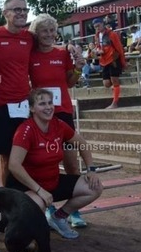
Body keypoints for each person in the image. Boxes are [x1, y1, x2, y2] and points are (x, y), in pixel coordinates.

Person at [7, 88, 103, 239]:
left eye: (50, 103)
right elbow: (13, 165)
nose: (48, 107)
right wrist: (39, 190)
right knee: (37, 206)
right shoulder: (25, 130)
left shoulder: (58, 125)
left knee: (95, 187)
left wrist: (91, 170)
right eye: (42, 104)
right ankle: (17, 231)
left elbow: (82, 144)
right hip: (27, 187)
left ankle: (58, 218)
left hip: (52, 182)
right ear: (32, 108)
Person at [28, 14, 89, 228]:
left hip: (62, 112)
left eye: (52, 31)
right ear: (36, 34)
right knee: (44, 162)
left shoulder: (62, 53)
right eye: (44, 31)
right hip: (40, 115)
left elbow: (70, 82)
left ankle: (72, 211)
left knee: (71, 162)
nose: (49, 35)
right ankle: (48, 206)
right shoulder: (30, 55)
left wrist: (78, 68)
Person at [0, 0, 33, 187]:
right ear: (5, 13)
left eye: (25, 9)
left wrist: (68, 46)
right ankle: (6, 197)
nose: (22, 13)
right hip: (1, 105)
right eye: (17, 9)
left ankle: (25, 196)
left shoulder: (29, 37)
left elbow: (48, 42)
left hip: (24, 104)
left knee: (26, 154)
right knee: (6, 155)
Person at [93, 18, 126, 109]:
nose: (97, 28)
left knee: (114, 80)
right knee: (106, 83)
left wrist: (123, 61)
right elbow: (98, 46)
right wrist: (97, 51)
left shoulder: (112, 34)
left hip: (113, 59)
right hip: (104, 60)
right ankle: (116, 87)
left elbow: (119, 48)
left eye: (98, 25)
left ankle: (115, 102)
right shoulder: (97, 36)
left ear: (103, 24)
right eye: (95, 27)